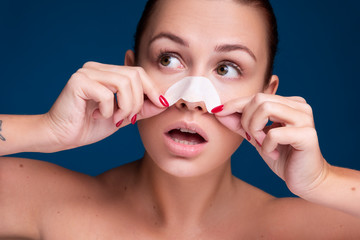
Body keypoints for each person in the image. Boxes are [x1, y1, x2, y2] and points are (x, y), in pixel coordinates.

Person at [1, 0, 360, 238]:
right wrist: (43, 129)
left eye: (226, 68)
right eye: (169, 59)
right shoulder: (44, 202)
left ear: (268, 94)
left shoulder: (313, 228)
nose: (192, 98)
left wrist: (323, 181)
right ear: (130, 69)